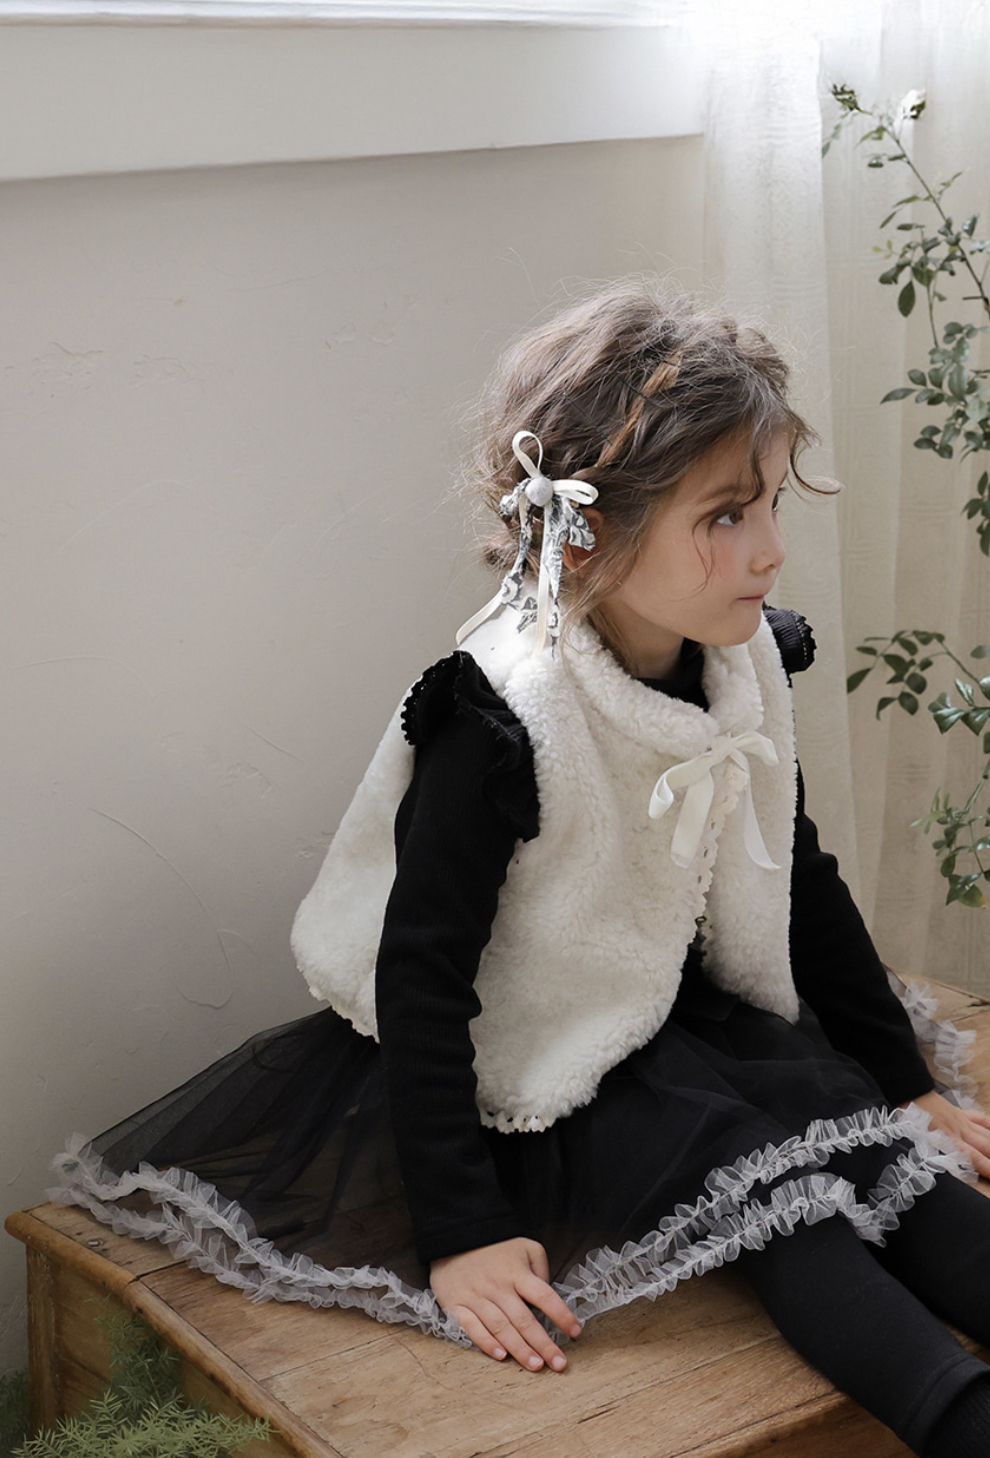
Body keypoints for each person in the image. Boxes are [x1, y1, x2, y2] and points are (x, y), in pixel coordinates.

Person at [56, 280, 990, 1457]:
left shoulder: (740, 658)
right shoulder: (501, 714)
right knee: (779, 1204)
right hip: (546, 1051)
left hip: (672, 1007)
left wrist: (900, 1078)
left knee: (880, 1150)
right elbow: (422, 975)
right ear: (588, 530)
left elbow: (793, 872)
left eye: (769, 505)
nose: (770, 548)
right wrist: (461, 1227)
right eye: (725, 516)